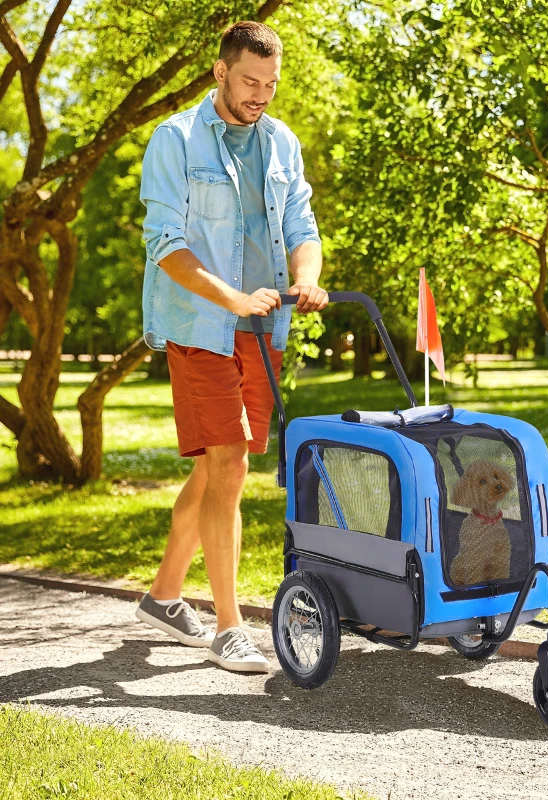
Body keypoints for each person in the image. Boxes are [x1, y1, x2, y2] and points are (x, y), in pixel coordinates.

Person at [135, 20, 328, 673]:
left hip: (262, 328)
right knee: (231, 468)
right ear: (220, 72)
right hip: (201, 326)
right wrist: (233, 299)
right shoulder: (177, 140)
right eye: (250, 81)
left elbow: (301, 224)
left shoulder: (280, 144)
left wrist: (307, 280)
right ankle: (228, 626)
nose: (261, 95)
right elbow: (166, 246)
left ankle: (164, 596)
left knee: (219, 465)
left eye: (271, 85)